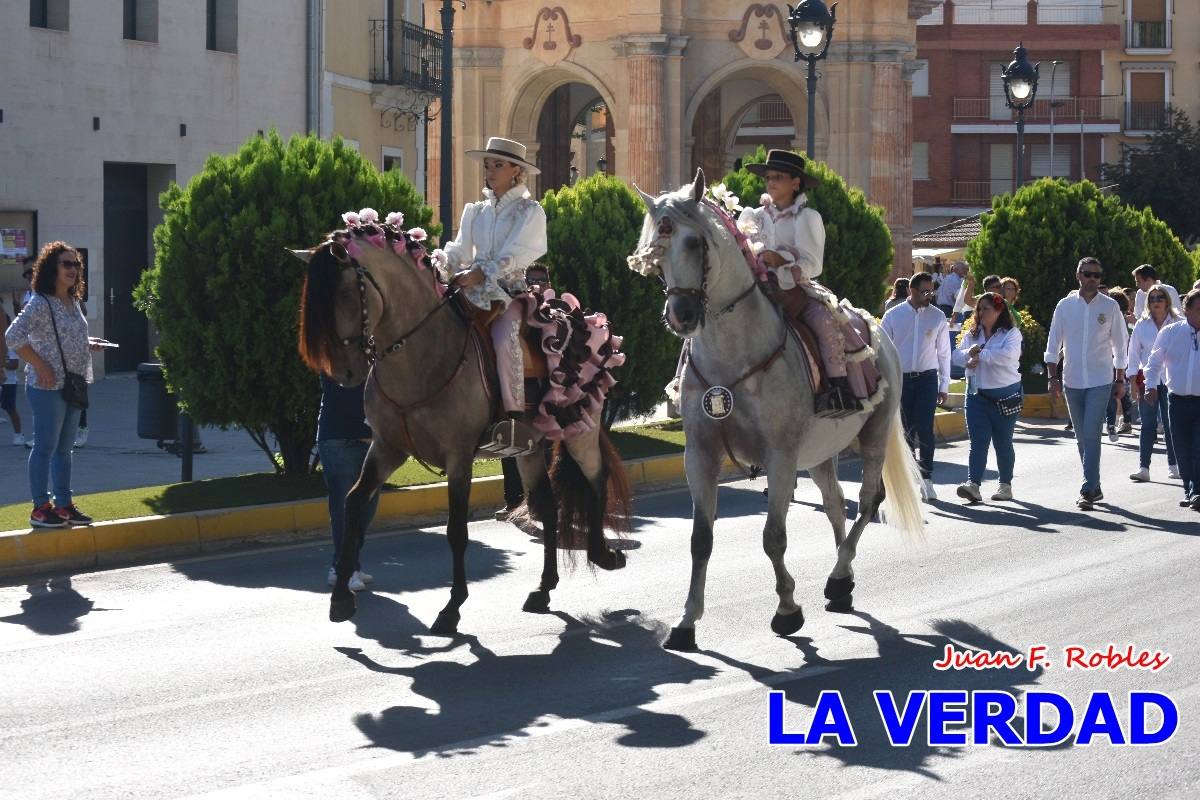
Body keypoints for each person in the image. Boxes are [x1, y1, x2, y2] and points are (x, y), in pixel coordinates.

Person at [738, 149, 875, 414]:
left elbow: (814, 264)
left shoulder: (807, 218)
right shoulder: (752, 216)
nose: (771, 182)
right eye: (768, 177)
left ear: (795, 183)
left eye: (778, 176)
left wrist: (781, 262)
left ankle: (837, 389)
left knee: (825, 322)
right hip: (753, 288)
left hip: (794, 290)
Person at [438, 136, 547, 451]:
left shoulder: (530, 211)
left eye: (498, 164)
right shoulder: (475, 211)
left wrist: (482, 272)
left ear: (516, 170)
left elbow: (516, 253)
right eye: (488, 164)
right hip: (471, 290)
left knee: (503, 337)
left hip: (509, 294)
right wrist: (440, 263)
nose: (490, 170)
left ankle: (512, 418)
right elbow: (459, 249)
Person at [4, 242, 103, 528]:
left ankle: (64, 505)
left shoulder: (73, 302)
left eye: (76, 265)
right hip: (46, 386)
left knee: (65, 448)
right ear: (52, 268)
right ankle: (39, 508)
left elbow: (64, 337)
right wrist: (39, 364)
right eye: (66, 264)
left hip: (72, 384)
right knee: (46, 447)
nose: (73, 270)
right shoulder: (40, 302)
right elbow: (13, 337)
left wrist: (88, 343)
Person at [1044, 257, 1129, 511]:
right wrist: (1052, 377)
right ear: (1078, 275)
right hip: (1072, 380)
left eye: (1097, 275)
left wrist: (1120, 378)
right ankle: (1095, 485)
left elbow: (1120, 347)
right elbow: (1052, 346)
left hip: (1101, 379)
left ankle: (1086, 489)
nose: (1093, 278)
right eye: (1088, 274)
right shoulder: (1065, 306)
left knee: (1092, 433)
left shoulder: (1111, 307)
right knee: (1082, 437)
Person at [881, 272, 951, 501]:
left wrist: (945, 385)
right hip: (900, 380)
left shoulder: (938, 317)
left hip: (927, 379)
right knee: (905, 431)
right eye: (925, 291)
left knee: (925, 429)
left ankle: (927, 478)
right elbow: (883, 352)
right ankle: (910, 479)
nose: (929, 295)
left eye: (932, 291)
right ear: (911, 290)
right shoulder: (892, 315)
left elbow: (944, 353)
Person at [952, 293, 1023, 503]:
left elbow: (1008, 356)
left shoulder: (1011, 333)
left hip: (1005, 396)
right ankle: (973, 484)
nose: (981, 313)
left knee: (1003, 442)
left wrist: (979, 355)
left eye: (986, 309)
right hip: (976, 396)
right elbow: (956, 354)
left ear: (999, 311)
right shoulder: (973, 334)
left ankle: (1005, 485)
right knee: (978, 442)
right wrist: (967, 357)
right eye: (979, 309)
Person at [317, 375, 378, 591]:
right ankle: (343, 569)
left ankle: (350, 563)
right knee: (345, 509)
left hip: (372, 440)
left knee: (368, 507)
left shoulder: (373, 347)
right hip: (338, 438)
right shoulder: (335, 350)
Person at [1144, 289, 1200, 509]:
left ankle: (1196, 490)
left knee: (1198, 447)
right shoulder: (1170, 332)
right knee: (1182, 447)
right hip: (1176, 400)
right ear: (1187, 311)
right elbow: (1154, 361)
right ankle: (1189, 490)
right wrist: (1150, 386)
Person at [1128, 286, 1181, 483]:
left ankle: (1174, 465)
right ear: (1148, 303)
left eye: (1160, 297)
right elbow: (1133, 354)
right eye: (1152, 299)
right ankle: (1143, 468)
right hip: (1147, 380)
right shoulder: (1142, 326)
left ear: (1167, 300)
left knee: (1170, 425)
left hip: (1171, 380)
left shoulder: (1178, 323)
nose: (1156, 301)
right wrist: (1132, 380)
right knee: (1147, 424)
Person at [1105, 289, 1135, 440]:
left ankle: (1113, 423)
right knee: (1121, 393)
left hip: (1118, 361)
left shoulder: (1120, 320)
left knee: (1114, 393)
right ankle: (1122, 422)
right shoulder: (1123, 319)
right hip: (1120, 362)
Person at [2, 301, 25, 445]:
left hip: (8, 382)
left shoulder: (10, 343)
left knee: (10, 408)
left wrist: (1, 363)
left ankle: (19, 435)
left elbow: (15, 364)